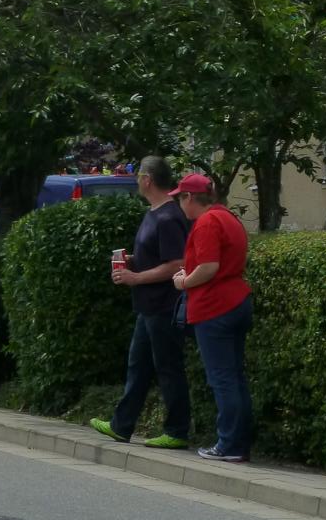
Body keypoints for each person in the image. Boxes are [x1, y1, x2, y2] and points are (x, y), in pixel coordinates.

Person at [89, 155, 191, 448]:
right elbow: (156, 255)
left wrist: (136, 278)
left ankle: (177, 430)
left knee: (168, 368)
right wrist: (133, 261)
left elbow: (176, 263)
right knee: (139, 366)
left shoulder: (170, 217)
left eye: (138, 177)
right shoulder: (153, 213)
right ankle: (122, 425)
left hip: (163, 305)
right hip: (147, 307)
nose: (137, 182)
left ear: (147, 180)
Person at [171, 173, 254, 463]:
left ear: (190, 198)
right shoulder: (227, 217)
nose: (179, 204)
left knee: (222, 379)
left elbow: (208, 267)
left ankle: (228, 444)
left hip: (214, 306)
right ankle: (240, 443)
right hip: (237, 300)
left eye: (180, 197)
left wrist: (184, 281)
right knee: (235, 377)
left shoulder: (206, 222)